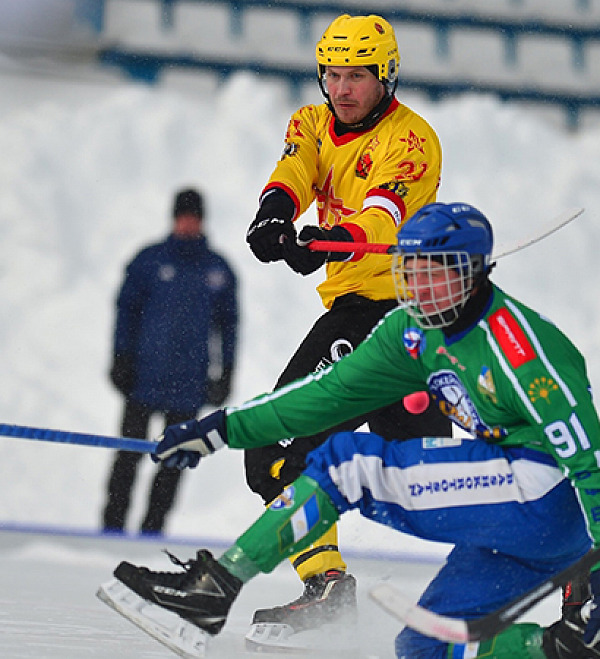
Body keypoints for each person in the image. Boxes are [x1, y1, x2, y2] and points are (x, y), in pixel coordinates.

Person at [107, 202, 600, 659]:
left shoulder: (522, 351)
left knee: (349, 466)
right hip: (519, 523)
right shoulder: (413, 330)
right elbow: (325, 394)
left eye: (431, 274)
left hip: (552, 497)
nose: (415, 288)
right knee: (422, 645)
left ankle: (213, 591)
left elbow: (590, 464)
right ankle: (557, 649)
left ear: (471, 275)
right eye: (409, 272)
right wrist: (221, 429)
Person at [242, 13, 451, 635]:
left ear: (386, 76)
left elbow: (383, 218)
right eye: (331, 73)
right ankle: (328, 587)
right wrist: (272, 219)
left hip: (395, 314)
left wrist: (330, 241)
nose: (341, 88)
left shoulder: (413, 140)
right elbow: (296, 171)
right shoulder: (310, 121)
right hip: (359, 313)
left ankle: (329, 590)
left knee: (276, 439)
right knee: (426, 478)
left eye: (357, 74)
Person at [101, 187, 238, 535]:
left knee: (174, 461)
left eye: (194, 217)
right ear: (174, 218)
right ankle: (111, 527)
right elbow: (125, 312)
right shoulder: (149, 260)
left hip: (188, 385)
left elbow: (229, 325)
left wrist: (226, 372)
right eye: (183, 216)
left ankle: (152, 530)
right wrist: (120, 357)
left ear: (202, 220)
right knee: (127, 453)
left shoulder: (218, 270)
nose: (188, 223)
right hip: (144, 378)